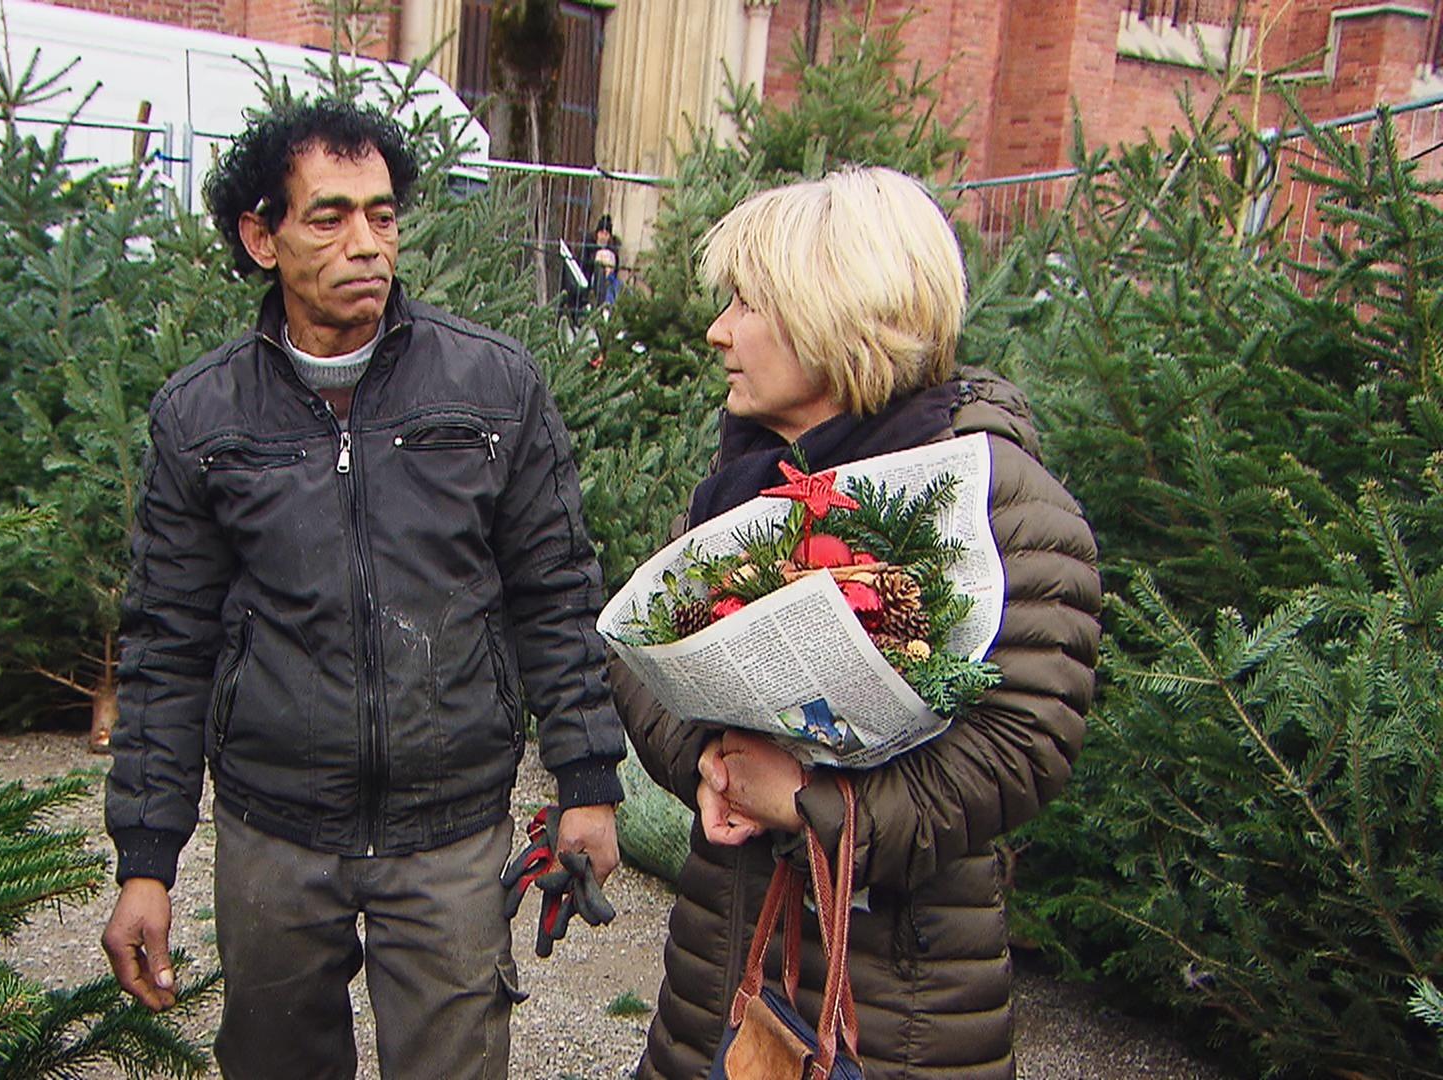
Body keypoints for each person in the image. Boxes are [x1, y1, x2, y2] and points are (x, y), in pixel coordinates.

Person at [100, 98, 626, 1080]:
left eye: (382, 216)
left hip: (450, 829)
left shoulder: (493, 388)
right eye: (330, 217)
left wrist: (588, 781)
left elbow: (555, 595)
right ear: (262, 237)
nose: (367, 245)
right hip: (276, 828)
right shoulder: (201, 417)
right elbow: (167, 646)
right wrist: (145, 862)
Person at [613, 166, 1102, 1079]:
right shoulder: (744, 486)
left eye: (747, 303)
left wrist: (815, 806)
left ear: (835, 316)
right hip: (721, 965)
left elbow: (1024, 744)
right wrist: (714, 765)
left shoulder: (996, 505)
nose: (719, 330)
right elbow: (641, 657)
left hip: (899, 1001)